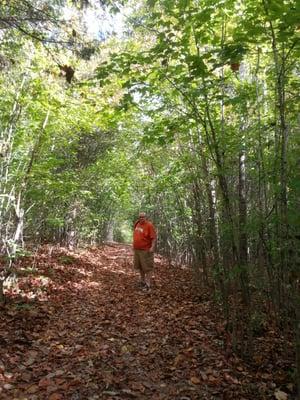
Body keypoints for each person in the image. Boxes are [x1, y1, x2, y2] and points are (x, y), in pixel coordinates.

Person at [133, 212, 156, 291]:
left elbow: (153, 237)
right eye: (140, 217)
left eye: (143, 217)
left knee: (148, 267)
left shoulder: (149, 225)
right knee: (140, 266)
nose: (141, 218)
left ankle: (148, 284)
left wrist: (152, 247)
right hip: (137, 250)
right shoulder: (137, 224)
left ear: (146, 217)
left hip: (146, 250)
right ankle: (142, 281)